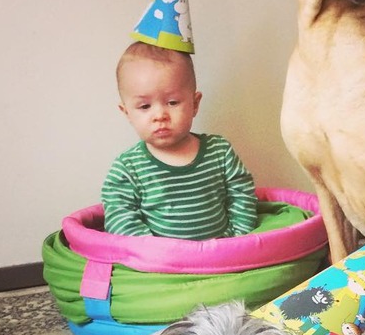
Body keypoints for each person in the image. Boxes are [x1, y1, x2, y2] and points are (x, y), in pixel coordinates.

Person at [101, 41, 258, 239]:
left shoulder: (220, 151)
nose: (160, 115)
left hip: (221, 255)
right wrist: (154, 251)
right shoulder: (127, 167)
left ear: (194, 104)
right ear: (127, 113)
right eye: (144, 106)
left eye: (172, 102)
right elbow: (119, 216)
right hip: (161, 264)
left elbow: (242, 194)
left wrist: (239, 237)